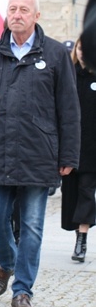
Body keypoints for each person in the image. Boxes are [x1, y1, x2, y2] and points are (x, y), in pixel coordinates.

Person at [0, 0, 80, 307]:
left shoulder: (55, 54)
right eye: (12, 9)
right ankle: (6, 262)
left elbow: (69, 109)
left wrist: (68, 156)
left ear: (36, 16)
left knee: (32, 225)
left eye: (24, 9)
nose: (17, 14)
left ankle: (22, 290)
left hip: (39, 152)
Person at [61, 35, 96, 262]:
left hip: (93, 147)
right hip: (70, 146)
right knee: (71, 193)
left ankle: (82, 240)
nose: (82, 52)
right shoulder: (69, 74)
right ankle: (77, 233)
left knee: (87, 191)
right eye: (80, 48)